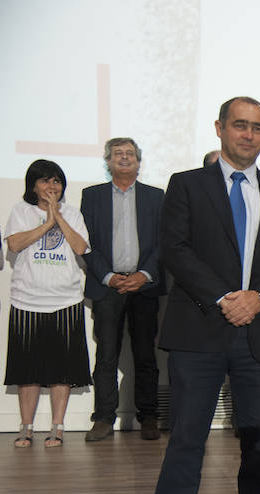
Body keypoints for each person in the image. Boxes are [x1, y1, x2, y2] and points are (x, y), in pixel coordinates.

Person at [134, 96, 260, 494]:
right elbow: (175, 249)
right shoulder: (186, 186)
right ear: (219, 128)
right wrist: (225, 298)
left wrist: (258, 298)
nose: (248, 134)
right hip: (200, 328)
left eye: (257, 128)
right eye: (239, 125)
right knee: (187, 434)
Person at [81, 138, 166, 442]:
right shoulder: (91, 196)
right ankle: (104, 418)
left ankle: (149, 417)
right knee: (106, 355)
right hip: (108, 287)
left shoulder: (156, 197)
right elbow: (86, 242)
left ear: (139, 162)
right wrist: (107, 276)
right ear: (108, 161)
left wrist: (144, 274)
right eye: (118, 154)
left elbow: (163, 242)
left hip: (144, 286)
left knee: (145, 356)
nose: (125, 158)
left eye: (130, 154)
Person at [4, 159, 91, 448]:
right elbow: (15, 244)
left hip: (65, 300)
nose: (51, 187)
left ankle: (58, 427)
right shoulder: (21, 211)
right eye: (45, 181)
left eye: (56, 181)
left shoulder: (73, 213)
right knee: (27, 371)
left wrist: (58, 217)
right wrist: (47, 223)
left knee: (61, 370)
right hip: (27, 299)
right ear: (33, 185)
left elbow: (80, 248)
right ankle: (26, 427)